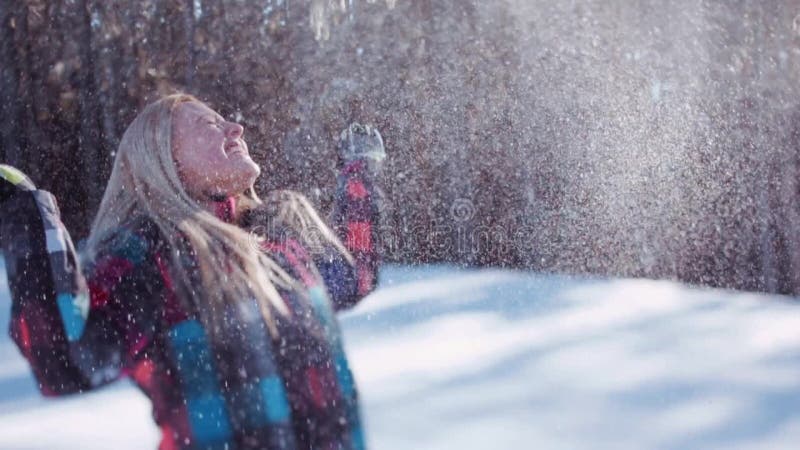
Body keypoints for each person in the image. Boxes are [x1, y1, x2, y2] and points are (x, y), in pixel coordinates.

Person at [0, 93, 386, 450]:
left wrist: (359, 174)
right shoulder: (151, 255)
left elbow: (353, 275)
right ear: (163, 160)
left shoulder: (275, 241)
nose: (235, 129)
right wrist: (25, 214)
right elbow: (68, 359)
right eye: (209, 124)